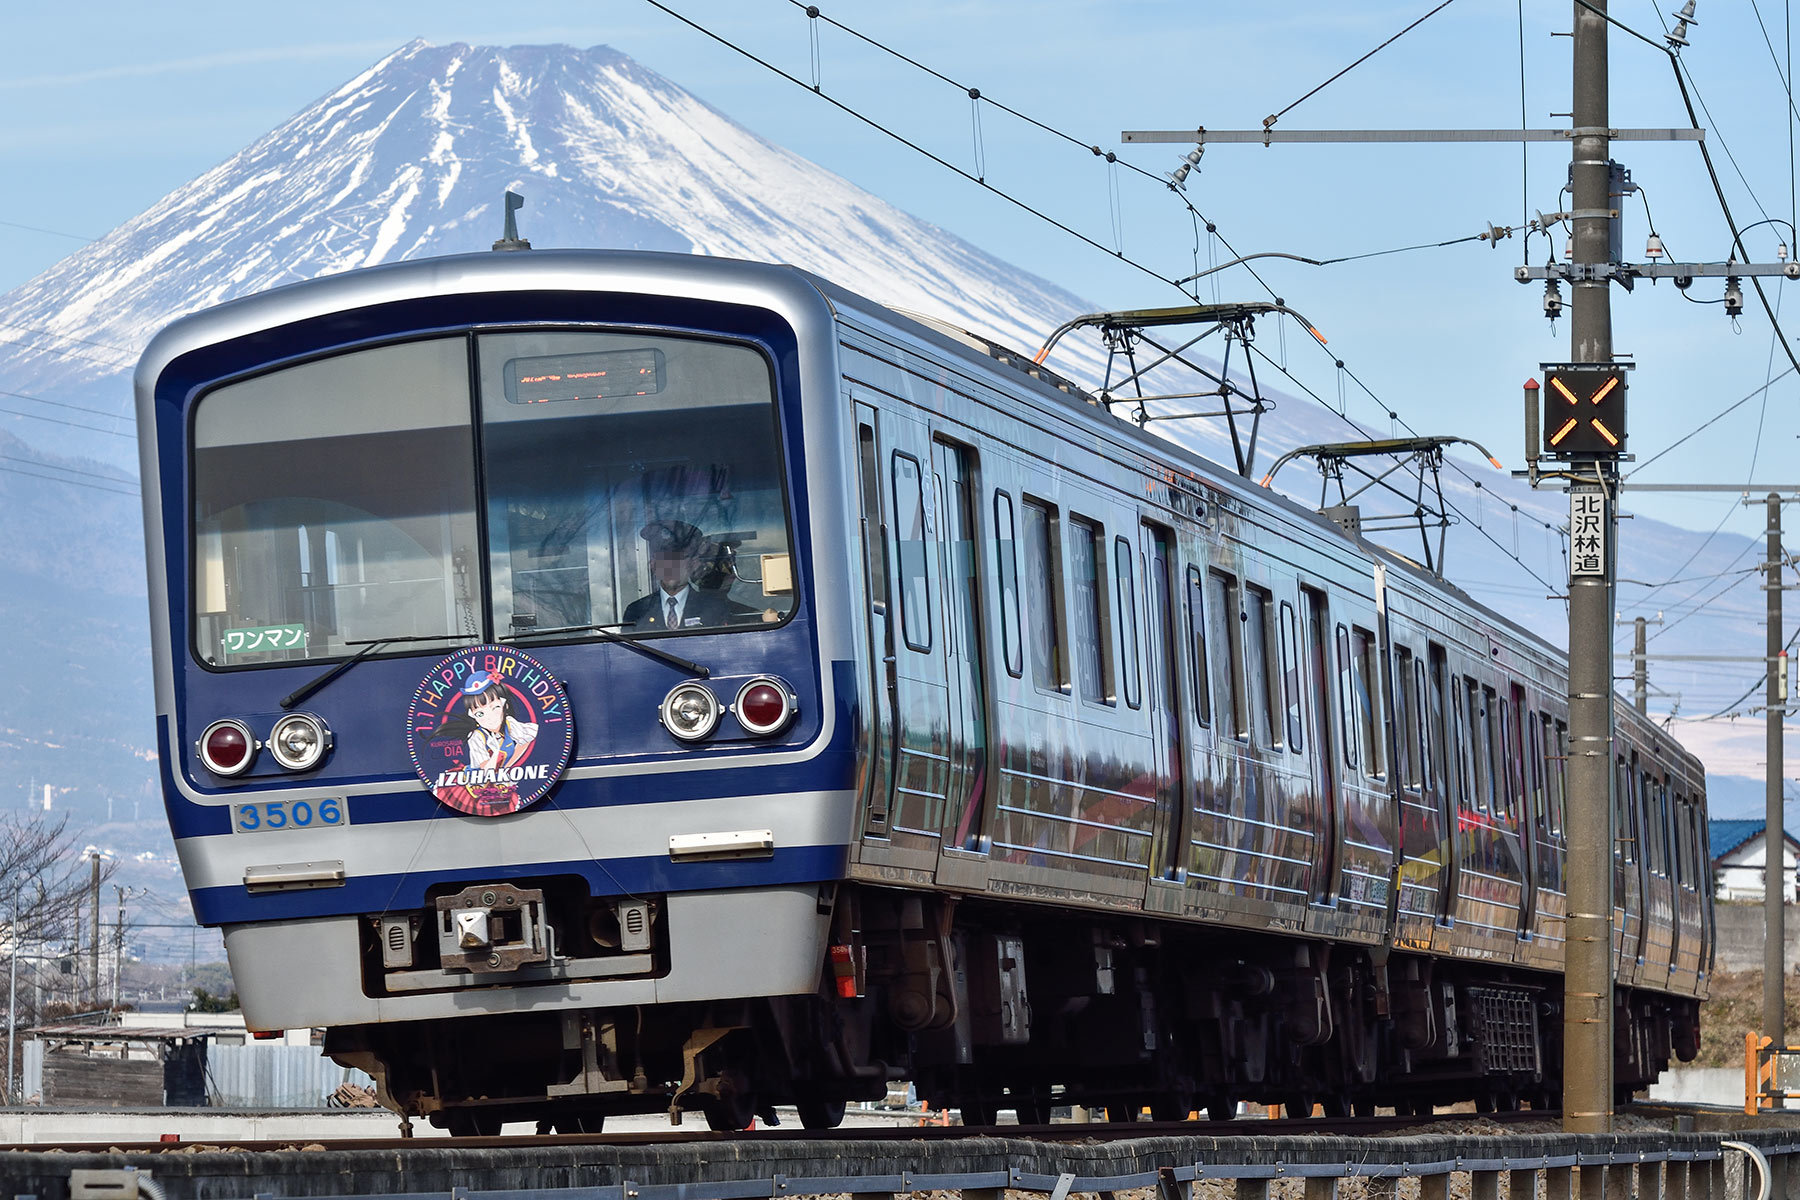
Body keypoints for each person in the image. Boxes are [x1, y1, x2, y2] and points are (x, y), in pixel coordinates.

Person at [623, 519, 748, 631]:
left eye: (677, 560)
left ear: (693, 564)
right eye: (663, 560)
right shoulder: (636, 612)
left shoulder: (714, 608)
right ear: (653, 565)